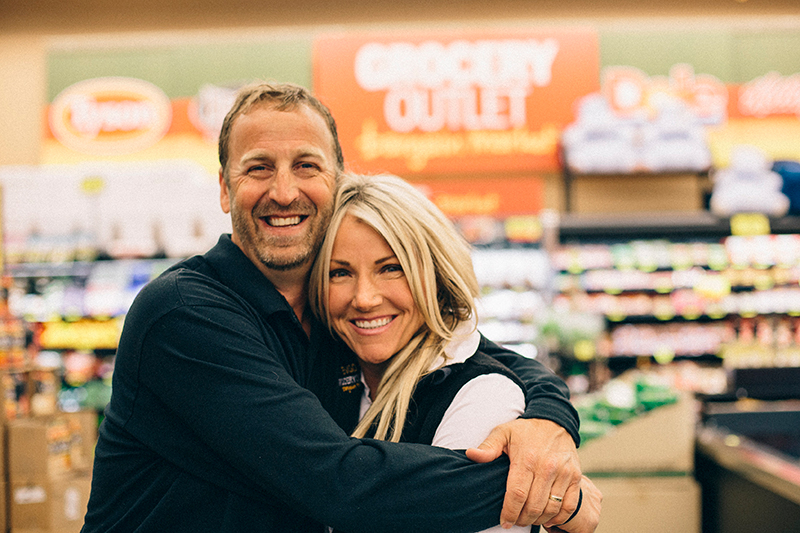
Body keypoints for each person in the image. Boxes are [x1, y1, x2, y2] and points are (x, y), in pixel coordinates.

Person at [81, 81, 589, 533]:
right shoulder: (184, 312)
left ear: (337, 180)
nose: (283, 191)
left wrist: (549, 417)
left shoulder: (329, 316)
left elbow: (476, 355)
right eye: (259, 168)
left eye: (306, 165)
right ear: (224, 188)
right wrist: (553, 496)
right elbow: (336, 482)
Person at [309, 172, 601, 533]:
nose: (364, 298)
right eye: (339, 272)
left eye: (391, 268)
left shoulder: (482, 400)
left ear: (435, 275)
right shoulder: (324, 373)